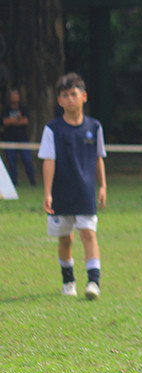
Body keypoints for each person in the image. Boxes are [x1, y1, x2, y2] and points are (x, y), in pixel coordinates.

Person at [38, 73, 107, 299]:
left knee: (88, 234)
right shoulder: (53, 129)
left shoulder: (95, 127)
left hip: (85, 192)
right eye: (65, 96)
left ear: (83, 96)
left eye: (74, 94)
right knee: (66, 239)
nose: (70, 99)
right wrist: (47, 193)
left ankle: (93, 283)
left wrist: (102, 186)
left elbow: (98, 157)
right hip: (61, 192)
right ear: (59, 101)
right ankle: (68, 281)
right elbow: (49, 161)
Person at [1, 88, 38, 187]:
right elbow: (5, 122)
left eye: (16, 96)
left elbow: (25, 121)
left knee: (28, 160)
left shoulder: (23, 109)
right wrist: (17, 119)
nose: (14, 98)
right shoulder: (6, 110)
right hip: (9, 140)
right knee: (11, 162)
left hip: (23, 140)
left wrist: (12, 121)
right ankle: (14, 182)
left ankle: (32, 181)